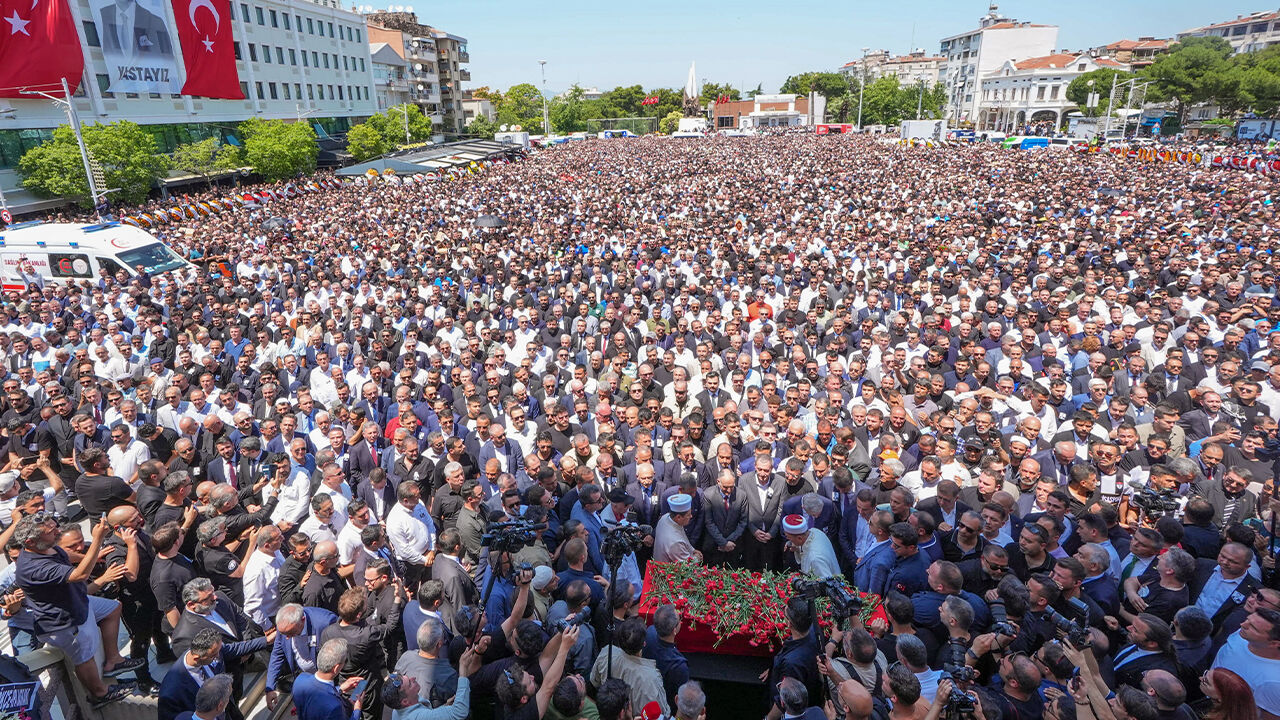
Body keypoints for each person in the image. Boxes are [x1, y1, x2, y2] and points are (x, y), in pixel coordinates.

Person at [12, 513, 145, 707]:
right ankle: (99, 694)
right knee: (84, 657)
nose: (57, 531)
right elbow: (81, 574)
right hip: (65, 621)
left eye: (54, 526)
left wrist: (89, 556)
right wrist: (98, 539)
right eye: (51, 531)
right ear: (31, 541)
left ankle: (113, 660)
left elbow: (63, 553)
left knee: (112, 608)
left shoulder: (43, 547)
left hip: (79, 601)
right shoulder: (34, 567)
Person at [653, 493, 700, 563]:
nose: (691, 516)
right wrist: (697, 558)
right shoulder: (675, 543)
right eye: (688, 514)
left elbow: (683, 536)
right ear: (678, 517)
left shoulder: (665, 517)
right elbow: (687, 565)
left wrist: (692, 550)